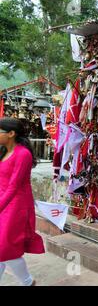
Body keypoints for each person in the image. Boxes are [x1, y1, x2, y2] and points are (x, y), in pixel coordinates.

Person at [0, 118, 45, 286]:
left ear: (11, 134)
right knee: (2, 247)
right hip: (4, 202)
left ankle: (27, 282)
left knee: (6, 247)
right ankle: (28, 282)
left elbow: (13, 186)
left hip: (16, 206)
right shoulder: (3, 151)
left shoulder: (23, 154)